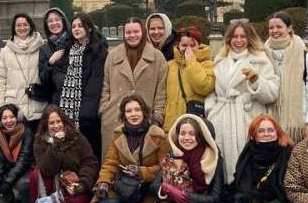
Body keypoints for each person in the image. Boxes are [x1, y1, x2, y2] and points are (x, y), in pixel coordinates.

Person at [87, 94, 170, 203]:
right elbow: (111, 162)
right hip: (124, 185)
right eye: (129, 111)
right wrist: (103, 181)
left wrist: (141, 172)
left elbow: (165, 168)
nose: (133, 114)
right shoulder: (118, 133)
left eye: (137, 110)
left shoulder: (158, 135)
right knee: (103, 198)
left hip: (147, 190)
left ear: (144, 111)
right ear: (123, 114)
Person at [204, 20, 280, 179]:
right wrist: (211, 111)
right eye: (235, 36)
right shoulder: (219, 61)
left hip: (248, 117)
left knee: (248, 165)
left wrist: (256, 81)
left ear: (249, 38)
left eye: (243, 36)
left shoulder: (260, 60)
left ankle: (247, 191)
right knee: (222, 163)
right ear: (229, 39)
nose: (239, 40)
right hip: (222, 120)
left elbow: (272, 94)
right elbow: (211, 92)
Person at [149, 113, 230, 203]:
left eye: (192, 134)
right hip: (184, 201)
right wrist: (167, 188)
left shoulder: (212, 157)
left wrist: (186, 197)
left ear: (200, 136)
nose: (186, 138)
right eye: (183, 133)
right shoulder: (174, 153)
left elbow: (215, 198)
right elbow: (154, 185)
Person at [100, 17, 167, 156]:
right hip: (114, 120)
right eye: (128, 32)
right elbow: (105, 86)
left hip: (145, 122)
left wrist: (156, 117)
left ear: (143, 32)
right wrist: (104, 110)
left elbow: (161, 93)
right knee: (112, 163)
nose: (132, 36)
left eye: (136, 31)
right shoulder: (113, 55)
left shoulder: (157, 57)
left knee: (142, 163)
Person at [50, 12, 107, 161]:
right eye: (74, 26)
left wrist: (86, 113)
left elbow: (95, 83)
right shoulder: (67, 48)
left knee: (89, 151)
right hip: (66, 107)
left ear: (89, 28)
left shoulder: (99, 51)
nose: (76, 29)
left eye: (80, 26)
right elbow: (56, 71)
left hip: (87, 113)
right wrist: (65, 80)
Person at [30, 106, 98, 203]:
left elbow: (90, 162)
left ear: (64, 121)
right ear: (46, 125)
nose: (56, 126)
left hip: (74, 181)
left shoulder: (76, 137)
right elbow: (46, 171)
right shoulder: (40, 142)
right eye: (51, 123)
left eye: (58, 121)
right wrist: (56, 146)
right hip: (54, 182)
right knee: (35, 175)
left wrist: (82, 184)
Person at [264, 11, 308, 139]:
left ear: (289, 28)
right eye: (271, 27)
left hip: (298, 122)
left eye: (279, 27)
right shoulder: (262, 54)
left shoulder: (304, 56)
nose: (275, 31)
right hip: (269, 120)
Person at [0, 13, 45, 133]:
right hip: (14, 110)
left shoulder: (41, 48)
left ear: (31, 26)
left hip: (38, 107)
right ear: (14, 28)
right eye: (18, 25)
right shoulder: (5, 52)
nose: (22, 28)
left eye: (25, 24)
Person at [162, 26, 214, 131]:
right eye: (184, 45)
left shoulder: (207, 64)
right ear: (178, 45)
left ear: (199, 45)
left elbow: (204, 87)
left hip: (193, 125)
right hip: (170, 124)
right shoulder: (169, 65)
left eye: (192, 45)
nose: (188, 49)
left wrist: (191, 63)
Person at [0, 103, 35, 203]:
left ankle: (28, 201)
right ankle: (7, 199)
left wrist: (8, 182)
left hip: (26, 168)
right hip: (8, 167)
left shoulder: (27, 132)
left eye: (12, 117)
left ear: (18, 117)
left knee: (22, 183)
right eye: (4, 118)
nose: (9, 121)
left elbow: (24, 160)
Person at [37, 7, 70, 99]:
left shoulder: (74, 42)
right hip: (56, 99)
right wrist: (50, 63)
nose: (54, 23)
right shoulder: (44, 49)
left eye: (57, 19)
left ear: (63, 21)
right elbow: (43, 80)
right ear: (46, 25)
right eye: (50, 21)